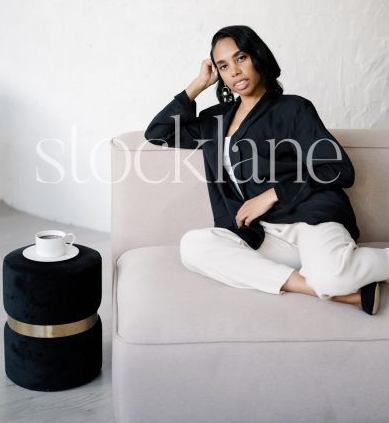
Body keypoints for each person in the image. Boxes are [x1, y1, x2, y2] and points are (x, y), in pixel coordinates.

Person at [144, 25, 388, 315]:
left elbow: (338, 170)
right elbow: (158, 133)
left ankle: (331, 280)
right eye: (223, 65)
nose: (234, 71)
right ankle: (335, 293)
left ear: (258, 57)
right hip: (264, 235)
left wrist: (272, 194)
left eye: (240, 58)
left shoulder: (293, 108)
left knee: (333, 276)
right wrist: (198, 84)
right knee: (194, 246)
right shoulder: (215, 120)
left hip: (311, 220)